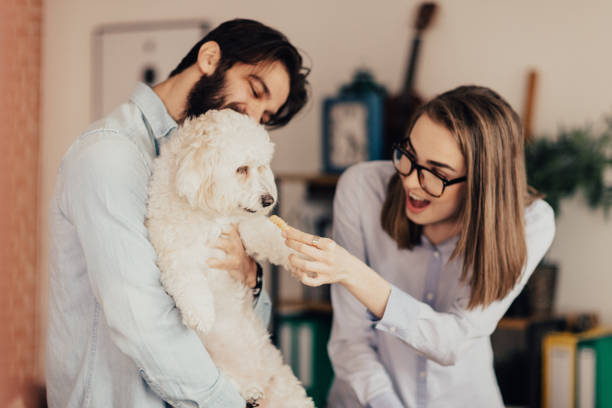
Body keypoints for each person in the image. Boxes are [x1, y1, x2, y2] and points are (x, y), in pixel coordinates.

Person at [46, 19, 309, 408]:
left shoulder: (219, 173)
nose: (251, 117)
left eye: (265, 116)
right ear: (209, 58)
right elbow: (143, 324)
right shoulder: (110, 157)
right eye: (254, 92)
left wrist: (250, 278)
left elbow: (247, 319)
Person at [283, 85, 555, 408]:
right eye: (409, 156)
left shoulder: (530, 223)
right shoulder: (362, 190)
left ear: (481, 184)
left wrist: (354, 274)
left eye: (437, 173)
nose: (411, 181)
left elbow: (453, 340)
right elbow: (351, 341)